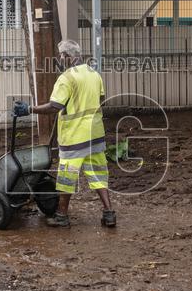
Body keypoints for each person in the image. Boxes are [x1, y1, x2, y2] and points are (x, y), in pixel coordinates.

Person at [13, 40, 116, 228]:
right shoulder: (94, 74)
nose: (60, 58)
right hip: (95, 134)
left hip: (75, 137)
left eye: (61, 55)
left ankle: (61, 215)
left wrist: (29, 109)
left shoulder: (67, 78)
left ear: (68, 57)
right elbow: (102, 100)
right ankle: (109, 213)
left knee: (67, 178)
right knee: (98, 174)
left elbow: (54, 106)